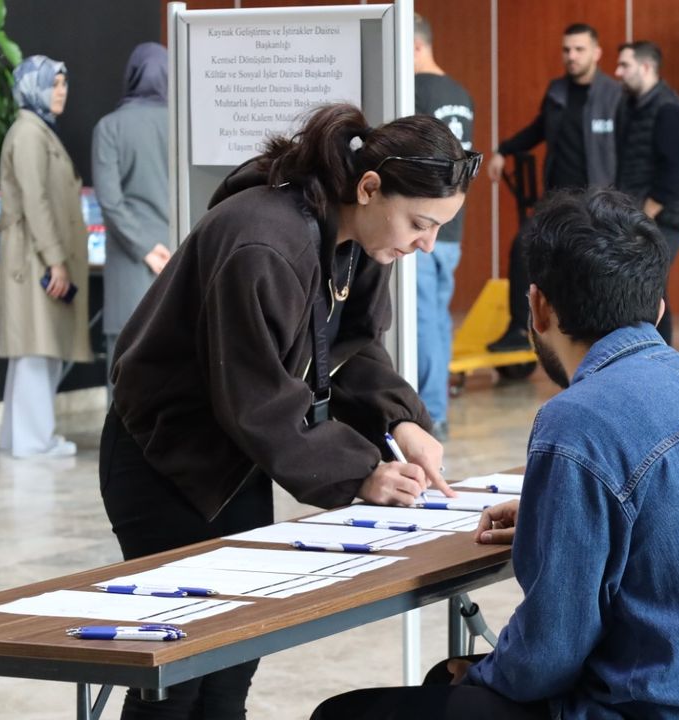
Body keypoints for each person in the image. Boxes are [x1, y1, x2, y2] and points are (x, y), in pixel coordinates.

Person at [311, 189, 679, 720]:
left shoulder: (578, 419)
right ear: (658, 308)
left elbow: (549, 654)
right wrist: (555, 519)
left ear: (539, 306)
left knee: (344, 714)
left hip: (652, 707)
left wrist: (485, 673)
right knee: (451, 682)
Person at [99, 103, 480, 719]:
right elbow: (255, 397)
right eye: (419, 223)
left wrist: (398, 418)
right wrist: (362, 471)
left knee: (231, 668)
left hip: (236, 457)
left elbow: (350, 346)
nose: (426, 244)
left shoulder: (357, 241)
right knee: (177, 672)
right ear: (369, 187)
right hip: (163, 461)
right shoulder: (263, 240)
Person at [485, 23, 620, 352]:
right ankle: (520, 330)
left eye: (579, 49)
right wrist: (503, 150)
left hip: (597, 201)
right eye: (567, 50)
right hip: (558, 201)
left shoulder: (614, 95)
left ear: (596, 53)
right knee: (522, 248)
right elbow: (537, 130)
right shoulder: (557, 91)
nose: (571, 56)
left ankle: (603, 333)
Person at [0, 55, 91, 458]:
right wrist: (55, 259)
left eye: (64, 84)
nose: (61, 92)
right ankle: (33, 443)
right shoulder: (30, 134)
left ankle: (20, 439)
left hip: (34, 257)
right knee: (37, 349)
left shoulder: (35, 131)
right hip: (33, 260)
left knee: (35, 348)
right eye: (54, 84)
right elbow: (36, 201)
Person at [92, 42, 174, 376]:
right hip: (179, 255)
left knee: (124, 367)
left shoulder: (109, 128)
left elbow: (110, 201)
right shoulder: (184, 126)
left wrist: (144, 249)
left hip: (131, 264)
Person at [412, 13, 474, 440]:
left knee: (419, 320)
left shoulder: (413, 90)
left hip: (421, 224)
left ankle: (425, 414)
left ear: (414, 46)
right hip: (453, 227)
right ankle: (437, 410)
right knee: (436, 319)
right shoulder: (461, 94)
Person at [614, 41, 679, 346]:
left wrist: (645, 213)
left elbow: (676, 170)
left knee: (648, 284)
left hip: (666, 216)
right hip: (640, 212)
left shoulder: (668, 109)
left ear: (646, 67)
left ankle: (661, 357)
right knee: (645, 284)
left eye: (625, 65)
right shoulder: (631, 106)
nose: (617, 72)